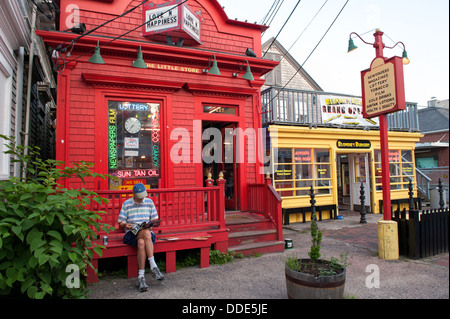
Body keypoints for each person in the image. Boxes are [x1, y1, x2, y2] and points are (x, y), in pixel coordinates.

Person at [118, 183, 164, 292]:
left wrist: (152, 223)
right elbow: (121, 223)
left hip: (145, 235)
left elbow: (154, 219)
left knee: (141, 243)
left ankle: (141, 277)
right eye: (139, 195)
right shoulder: (127, 204)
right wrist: (125, 225)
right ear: (133, 194)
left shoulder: (149, 202)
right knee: (146, 233)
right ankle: (153, 266)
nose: (142, 197)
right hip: (131, 233)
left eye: (143, 194)